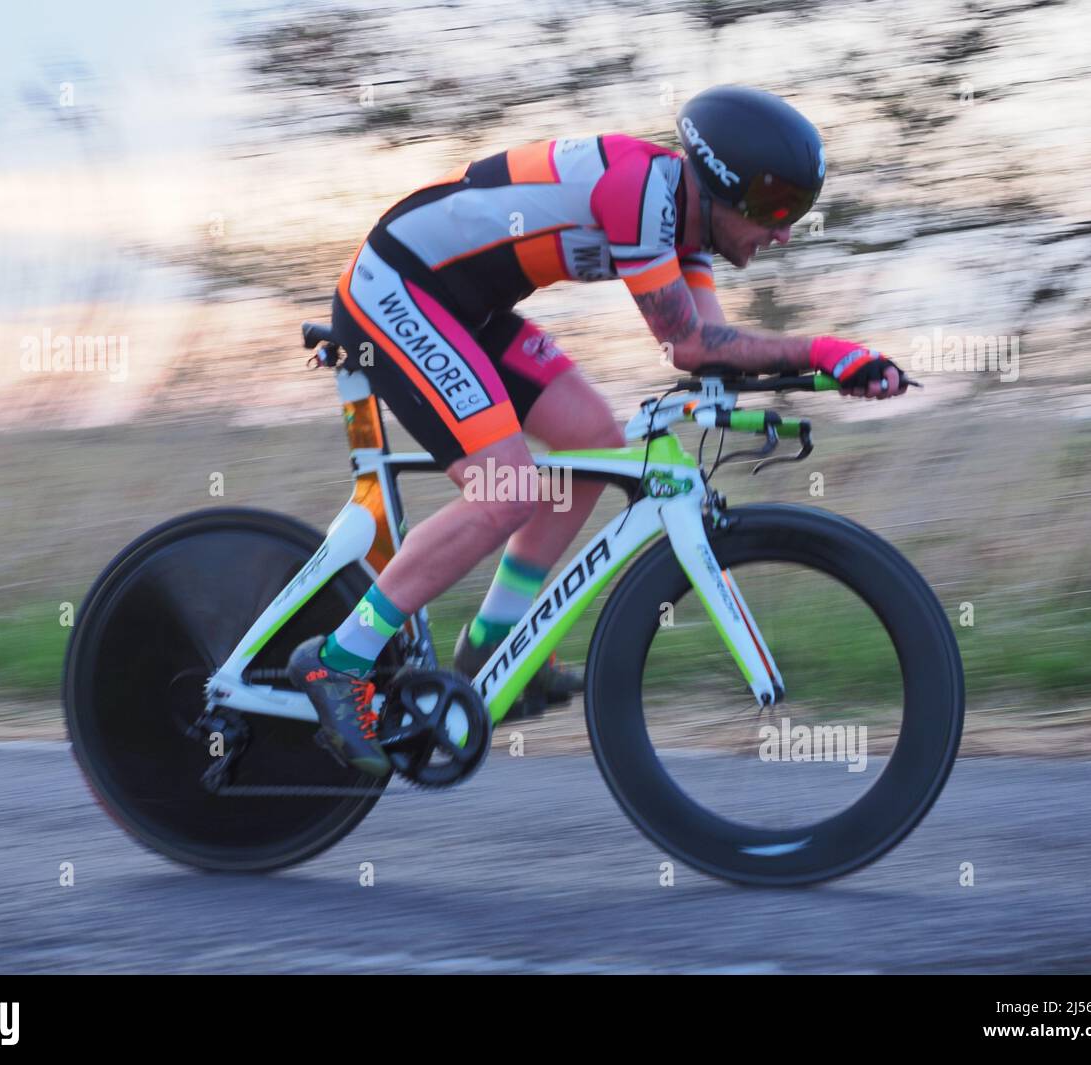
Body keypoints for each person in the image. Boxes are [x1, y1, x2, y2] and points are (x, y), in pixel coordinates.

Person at [288, 85, 908, 777]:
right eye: (775, 209)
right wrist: (822, 351)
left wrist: (830, 371)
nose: (785, 231)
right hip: (398, 290)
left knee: (593, 447)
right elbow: (691, 344)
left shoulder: (688, 225)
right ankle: (339, 659)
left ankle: (491, 642)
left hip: (467, 307)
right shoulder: (638, 194)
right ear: (723, 185)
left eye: (798, 212)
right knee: (509, 490)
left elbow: (713, 345)